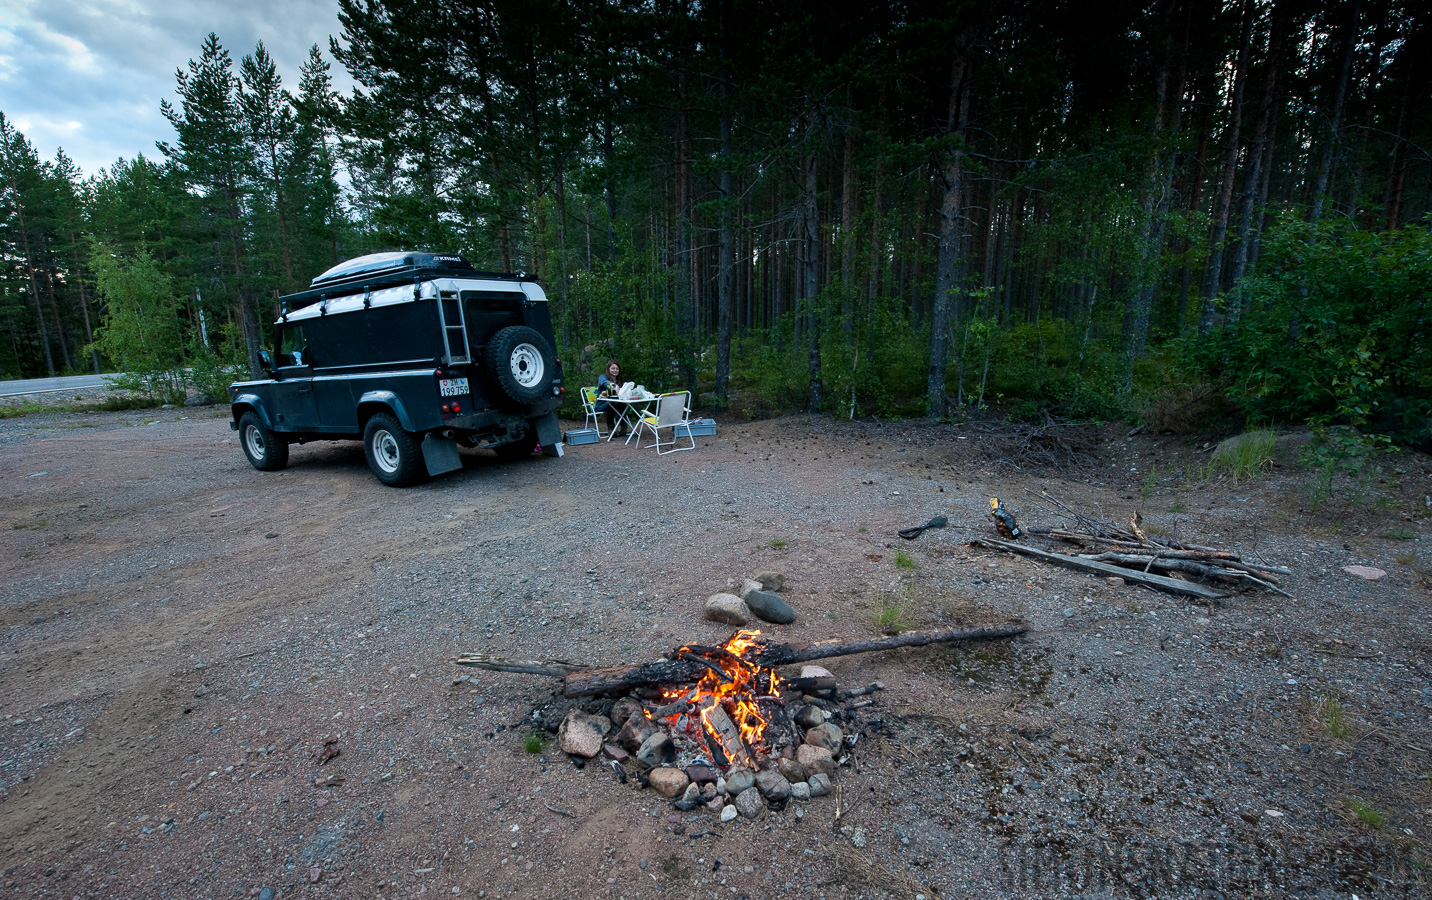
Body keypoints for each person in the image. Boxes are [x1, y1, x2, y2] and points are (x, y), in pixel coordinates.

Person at [595, 359, 623, 434]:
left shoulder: (619, 380)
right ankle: (611, 428)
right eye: (613, 368)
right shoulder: (603, 377)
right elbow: (604, 383)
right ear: (608, 369)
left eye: (617, 369)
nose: (615, 370)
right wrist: (614, 385)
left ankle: (624, 426)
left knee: (623, 403)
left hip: (615, 403)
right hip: (601, 405)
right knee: (611, 403)